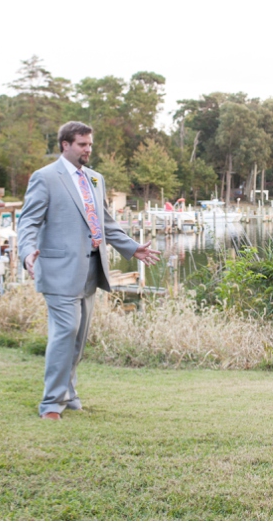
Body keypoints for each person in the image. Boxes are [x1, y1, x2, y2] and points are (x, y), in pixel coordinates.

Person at [18, 121, 161, 421]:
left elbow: (105, 223)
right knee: (65, 331)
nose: (88, 150)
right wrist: (26, 250)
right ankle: (51, 404)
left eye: (90, 144)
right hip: (58, 270)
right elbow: (28, 222)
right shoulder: (44, 178)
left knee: (79, 339)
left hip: (91, 271)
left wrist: (133, 248)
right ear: (65, 145)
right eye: (82, 144)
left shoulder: (95, 179)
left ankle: (69, 394)